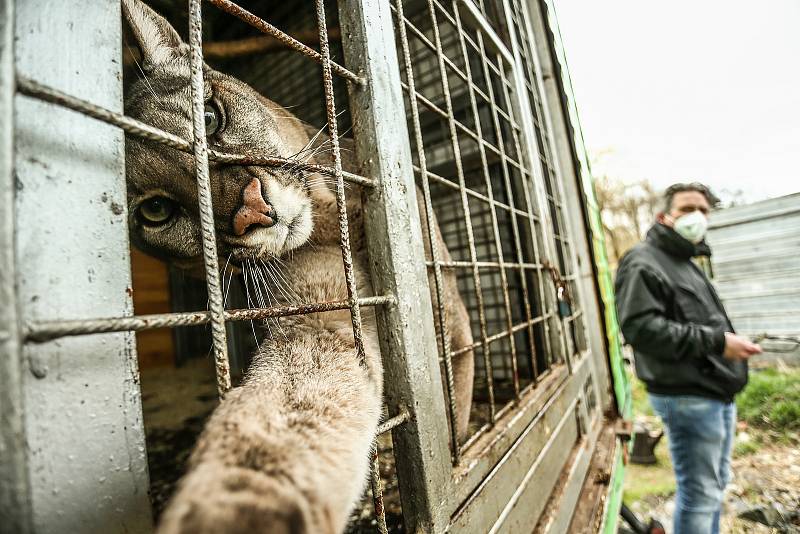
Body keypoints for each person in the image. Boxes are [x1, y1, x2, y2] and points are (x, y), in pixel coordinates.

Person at [615, 182, 762, 534]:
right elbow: (641, 329)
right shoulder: (643, 261)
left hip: (714, 393)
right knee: (700, 494)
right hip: (687, 396)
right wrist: (717, 342)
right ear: (664, 215)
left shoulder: (687, 261)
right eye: (687, 209)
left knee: (713, 487)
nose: (697, 216)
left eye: (704, 210)